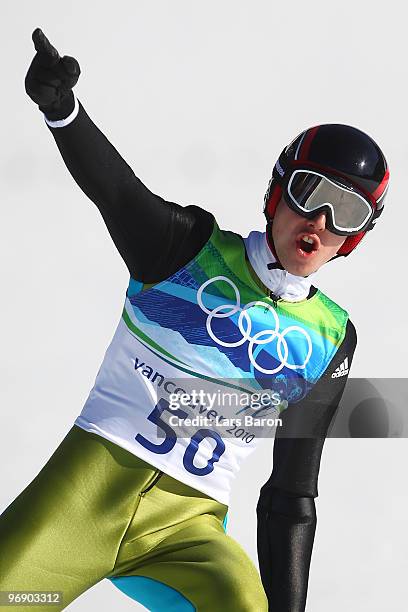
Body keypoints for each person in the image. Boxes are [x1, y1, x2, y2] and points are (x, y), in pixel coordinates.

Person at [0, 28, 389, 612]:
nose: (321, 220)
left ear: (354, 238)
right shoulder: (186, 249)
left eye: (348, 212)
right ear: (277, 194)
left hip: (186, 533)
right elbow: (116, 192)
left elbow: (290, 494)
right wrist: (64, 112)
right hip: (82, 500)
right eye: (310, 193)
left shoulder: (331, 339)